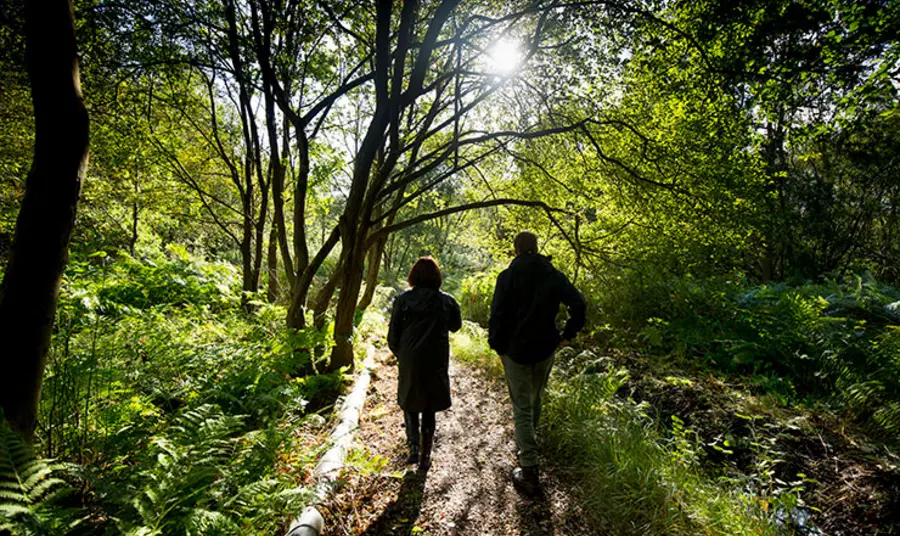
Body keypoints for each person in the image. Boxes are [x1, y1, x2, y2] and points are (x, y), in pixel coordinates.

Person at [489, 231, 586, 495]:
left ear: (516, 250)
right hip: (545, 348)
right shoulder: (553, 275)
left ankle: (529, 468)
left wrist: (498, 347)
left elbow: (497, 315)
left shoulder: (507, 277)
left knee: (522, 405)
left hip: (515, 350)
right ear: (537, 247)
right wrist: (566, 335)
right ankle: (527, 444)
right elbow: (579, 305)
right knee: (535, 399)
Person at [387, 256, 462, 473]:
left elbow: (393, 335)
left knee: (410, 401)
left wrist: (401, 354)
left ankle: (413, 450)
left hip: (410, 358)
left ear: (413, 276)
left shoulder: (403, 300)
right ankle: (426, 457)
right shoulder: (447, 301)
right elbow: (456, 326)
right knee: (430, 405)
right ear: (437, 277)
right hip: (436, 358)